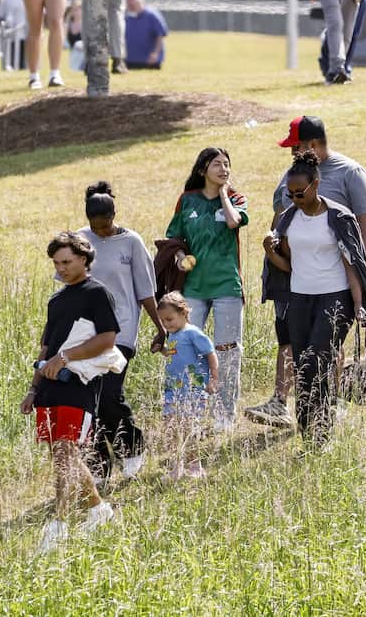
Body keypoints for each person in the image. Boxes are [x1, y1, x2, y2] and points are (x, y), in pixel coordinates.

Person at [246, 116, 366, 429]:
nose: (292, 153)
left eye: (296, 147)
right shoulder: (291, 180)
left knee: (323, 351)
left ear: (314, 145)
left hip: (334, 287)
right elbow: (283, 225)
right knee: (296, 348)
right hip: (296, 285)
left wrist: (355, 292)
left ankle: (327, 408)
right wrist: (271, 248)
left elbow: (360, 238)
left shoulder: (349, 176)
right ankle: (291, 409)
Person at [21, 232, 119, 552]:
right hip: (49, 388)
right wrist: (33, 389)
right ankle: (98, 509)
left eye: (67, 261)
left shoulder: (97, 293)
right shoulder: (56, 300)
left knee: (66, 451)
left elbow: (107, 339)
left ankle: (59, 524)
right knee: (63, 455)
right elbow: (46, 346)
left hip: (80, 385)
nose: (61, 268)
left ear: (84, 259)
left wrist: (66, 357)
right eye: (56, 263)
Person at [77, 182, 165, 484]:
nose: (101, 232)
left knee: (110, 392)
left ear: (115, 215)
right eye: (96, 226)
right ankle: (99, 466)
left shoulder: (131, 243)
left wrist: (159, 327)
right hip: (86, 332)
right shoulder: (79, 240)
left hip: (122, 329)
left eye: (106, 225)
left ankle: (132, 447)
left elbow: (145, 289)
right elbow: (69, 286)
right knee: (90, 399)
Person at [165, 148, 249, 431]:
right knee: (187, 350)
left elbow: (232, 221)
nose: (224, 169)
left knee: (227, 352)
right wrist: (179, 258)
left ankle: (224, 415)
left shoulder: (235, 198)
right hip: (193, 288)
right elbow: (173, 238)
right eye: (217, 165)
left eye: (227, 164)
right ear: (203, 169)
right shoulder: (187, 200)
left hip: (227, 285)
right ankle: (190, 410)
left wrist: (224, 193)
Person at [155, 291, 220, 479]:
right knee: (171, 429)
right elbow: (174, 354)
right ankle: (177, 466)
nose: (167, 324)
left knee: (188, 428)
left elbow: (210, 353)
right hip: (173, 390)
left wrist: (214, 378)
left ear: (183, 313)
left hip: (192, 390)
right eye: (163, 322)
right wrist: (163, 350)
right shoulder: (173, 335)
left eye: (170, 319)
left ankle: (194, 466)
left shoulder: (193, 333)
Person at [123, 0, 169, 69]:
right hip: (129, 61)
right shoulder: (126, 17)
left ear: (140, 2)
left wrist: (155, 53)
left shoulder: (152, 15)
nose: (131, 6)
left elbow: (160, 35)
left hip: (149, 62)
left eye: (133, 3)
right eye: (129, 4)